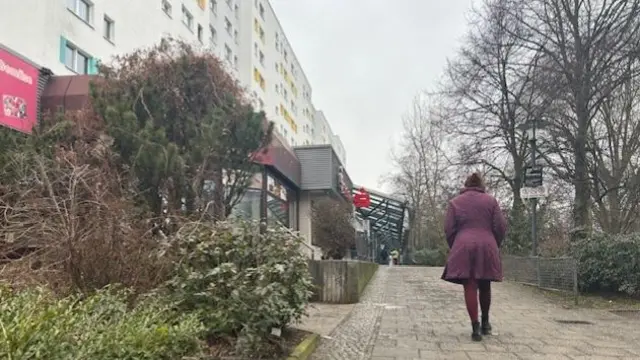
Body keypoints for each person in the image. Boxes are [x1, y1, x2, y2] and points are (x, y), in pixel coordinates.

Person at [441, 172, 507, 342]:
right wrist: (494, 243)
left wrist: (456, 245)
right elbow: (500, 226)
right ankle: (486, 323)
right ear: (481, 185)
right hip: (487, 244)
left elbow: (449, 229)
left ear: (466, 184)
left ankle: (475, 327)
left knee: (469, 285)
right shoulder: (491, 201)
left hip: (463, 245)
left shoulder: (455, 203)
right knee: (485, 283)